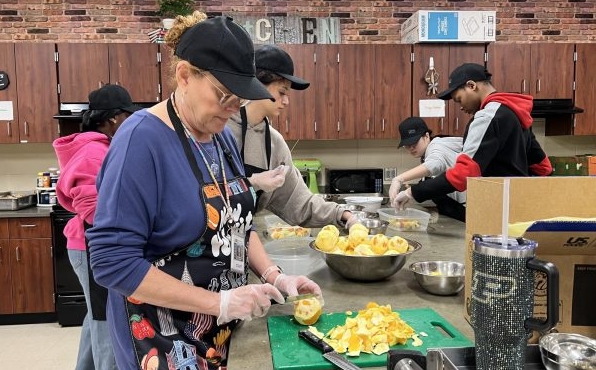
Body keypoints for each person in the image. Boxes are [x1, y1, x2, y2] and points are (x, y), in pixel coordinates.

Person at [86, 13, 323, 370]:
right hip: (162, 339)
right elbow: (112, 263)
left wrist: (274, 275)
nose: (232, 108)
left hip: (218, 330)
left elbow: (237, 223)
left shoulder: (218, 137)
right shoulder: (139, 141)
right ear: (184, 76)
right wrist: (219, 303)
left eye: (239, 98)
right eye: (222, 94)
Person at [53, 84, 140, 370]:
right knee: (108, 324)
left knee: (96, 316)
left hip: (86, 243)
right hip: (94, 247)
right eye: (128, 116)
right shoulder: (94, 151)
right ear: (115, 119)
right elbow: (93, 209)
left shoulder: (98, 146)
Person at [227, 44, 356, 228]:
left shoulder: (275, 143)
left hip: (246, 238)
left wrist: (342, 214)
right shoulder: (219, 128)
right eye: (282, 92)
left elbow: (299, 202)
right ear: (257, 83)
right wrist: (252, 182)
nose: (286, 101)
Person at [393, 63, 552, 210]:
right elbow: (542, 166)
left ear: (471, 85)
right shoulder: (515, 113)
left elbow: (463, 174)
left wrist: (412, 193)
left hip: (496, 207)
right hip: (520, 205)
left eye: (459, 99)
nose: (461, 107)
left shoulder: (486, 117)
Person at [389, 117, 467, 222]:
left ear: (426, 136)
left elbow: (434, 164)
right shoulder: (428, 152)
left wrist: (398, 179)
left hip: (469, 207)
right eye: (407, 145)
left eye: (414, 142)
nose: (411, 148)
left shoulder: (436, 146)